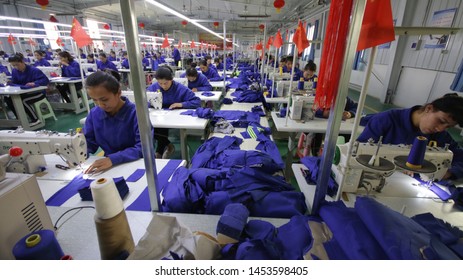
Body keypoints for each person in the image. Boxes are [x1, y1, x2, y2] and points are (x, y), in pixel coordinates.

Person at [357, 94, 463, 180]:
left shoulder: (440, 135)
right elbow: (358, 153)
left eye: (448, 126)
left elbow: (460, 157)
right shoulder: (385, 120)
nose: (440, 129)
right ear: (429, 108)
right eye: (441, 121)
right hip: (375, 178)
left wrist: (449, 173)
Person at [83, 70, 152, 174]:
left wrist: (114, 159)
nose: (100, 105)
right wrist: (79, 154)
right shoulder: (94, 114)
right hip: (110, 166)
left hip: (138, 164)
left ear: (118, 92)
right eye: (94, 100)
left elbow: (143, 147)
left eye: (104, 99)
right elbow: (88, 142)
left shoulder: (137, 114)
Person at [147, 66, 201, 159]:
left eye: (166, 83)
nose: (163, 86)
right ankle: (166, 147)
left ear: (171, 80)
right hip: (159, 117)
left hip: (174, 118)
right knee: (150, 127)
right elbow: (145, 101)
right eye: (160, 83)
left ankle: (160, 151)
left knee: (160, 128)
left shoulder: (180, 88)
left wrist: (181, 104)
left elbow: (197, 101)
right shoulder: (153, 88)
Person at [5, 54, 49, 126]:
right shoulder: (15, 71)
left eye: (17, 65)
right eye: (13, 65)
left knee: (23, 101)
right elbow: (14, 82)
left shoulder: (34, 70)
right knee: (9, 100)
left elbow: (45, 80)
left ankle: (35, 120)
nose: (16, 67)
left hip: (38, 92)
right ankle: (20, 119)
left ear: (22, 61)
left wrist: (34, 83)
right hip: (24, 92)